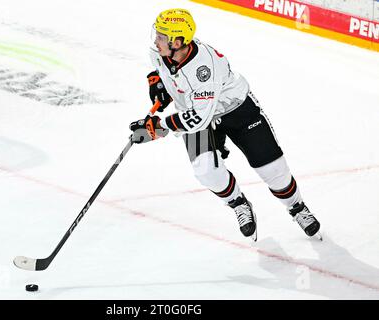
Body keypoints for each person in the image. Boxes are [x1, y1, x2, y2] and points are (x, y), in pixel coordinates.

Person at [129, 8, 321, 241]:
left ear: (178, 41)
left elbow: (198, 118)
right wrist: (158, 83)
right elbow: (162, 70)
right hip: (196, 111)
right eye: (157, 33)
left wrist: (158, 127)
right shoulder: (159, 51)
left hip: (237, 110)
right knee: (205, 170)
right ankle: (238, 203)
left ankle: (297, 207)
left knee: (273, 170)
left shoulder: (203, 69)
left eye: (161, 36)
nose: (155, 40)